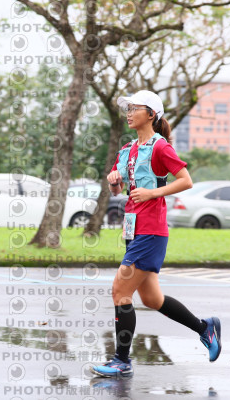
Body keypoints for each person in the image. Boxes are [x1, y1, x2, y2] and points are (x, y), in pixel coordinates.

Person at [91, 90, 221, 378]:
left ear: (151, 114)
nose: (129, 113)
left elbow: (186, 180)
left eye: (135, 108)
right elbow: (119, 189)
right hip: (133, 229)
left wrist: (153, 193)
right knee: (151, 299)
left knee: (120, 291)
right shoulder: (127, 149)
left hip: (151, 231)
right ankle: (205, 328)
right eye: (127, 109)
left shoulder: (160, 147)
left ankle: (121, 361)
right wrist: (114, 183)